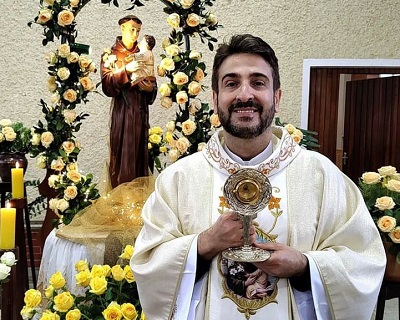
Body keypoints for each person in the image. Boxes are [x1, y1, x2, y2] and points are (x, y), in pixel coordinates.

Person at [130, 34, 386, 319]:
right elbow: (147, 262)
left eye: (258, 82)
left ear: (276, 97)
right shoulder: (179, 179)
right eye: (231, 83)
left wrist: (304, 266)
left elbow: (364, 261)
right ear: (215, 99)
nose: (244, 95)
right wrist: (204, 244)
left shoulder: (321, 176)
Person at [101, 15, 157, 190]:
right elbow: (107, 86)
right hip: (123, 115)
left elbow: (152, 82)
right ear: (122, 29)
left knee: (140, 156)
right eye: (132, 29)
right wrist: (125, 70)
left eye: (138, 30)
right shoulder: (110, 55)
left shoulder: (144, 53)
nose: (135, 34)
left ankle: (138, 198)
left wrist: (150, 89)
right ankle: (121, 198)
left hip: (140, 113)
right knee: (123, 156)